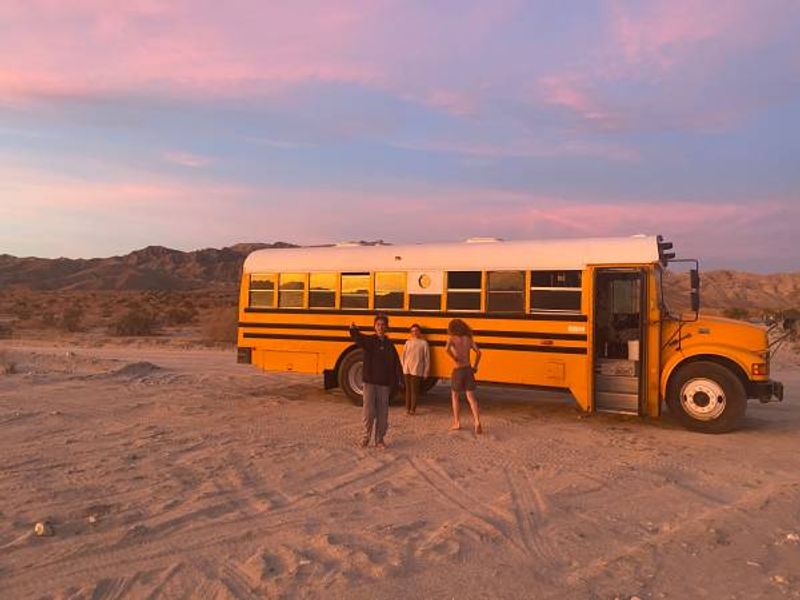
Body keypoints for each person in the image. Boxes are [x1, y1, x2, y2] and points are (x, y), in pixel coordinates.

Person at [349, 314, 402, 449]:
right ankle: (365, 438)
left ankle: (379, 439)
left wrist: (398, 381)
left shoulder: (390, 345)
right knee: (368, 412)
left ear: (386, 327)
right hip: (369, 383)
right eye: (378, 324)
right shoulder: (370, 341)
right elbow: (358, 339)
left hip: (384, 385)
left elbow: (396, 364)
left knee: (383, 413)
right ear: (374, 327)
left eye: (383, 325)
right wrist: (353, 330)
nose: (380, 327)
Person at [445, 318, 483, 434]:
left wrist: (454, 357)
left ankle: (457, 422)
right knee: (471, 398)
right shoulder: (469, 339)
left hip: (458, 369)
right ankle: (477, 421)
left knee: (455, 396)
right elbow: (479, 352)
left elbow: (446, 349)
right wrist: (475, 366)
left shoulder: (452, 338)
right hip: (468, 369)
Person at [401, 324, 430, 415]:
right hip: (407, 369)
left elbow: (427, 358)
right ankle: (407, 409)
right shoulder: (408, 342)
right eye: (413, 331)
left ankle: (412, 409)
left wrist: (426, 371)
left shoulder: (424, 343)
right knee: (408, 390)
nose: (414, 333)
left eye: (416, 330)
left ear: (419, 332)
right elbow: (403, 356)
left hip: (417, 369)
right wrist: (403, 366)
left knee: (414, 391)